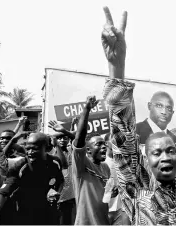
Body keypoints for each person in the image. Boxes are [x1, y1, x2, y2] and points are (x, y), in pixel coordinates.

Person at [101, 7, 176, 224]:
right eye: (157, 153)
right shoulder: (139, 189)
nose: (165, 157)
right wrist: (116, 68)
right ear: (146, 160)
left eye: (170, 151)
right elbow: (124, 137)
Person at [0, 133, 64, 225]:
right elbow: (2, 193)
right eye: (28, 148)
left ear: (47, 149)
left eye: (35, 148)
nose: (30, 152)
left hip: (49, 213)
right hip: (25, 214)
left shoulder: (55, 162)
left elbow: (60, 180)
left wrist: (55, 191)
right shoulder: (20, 166)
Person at [71, 96, 111, 225]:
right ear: (87, 150)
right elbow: (79, 139)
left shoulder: (106, 168)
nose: (103, 146)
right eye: (98, 144)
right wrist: (87, 109)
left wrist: (113, 193)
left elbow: (106, 196)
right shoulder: (81, 164)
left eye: (104, 144)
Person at [48, 120, 76, 225]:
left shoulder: (71, 150)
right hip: (58, 197)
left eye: (65, 138)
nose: (62, 140)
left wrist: (72, 126)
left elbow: (75, 138)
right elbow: (63, 164)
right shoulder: (52, 152)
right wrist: (56, 146)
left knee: (68, 221)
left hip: (70, 196)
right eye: (59, 138)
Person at [103, 133, 131, 225]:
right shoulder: (102, 163)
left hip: (121, 209)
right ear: (107, 143)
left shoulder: (123, 162)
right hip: (105, 210)